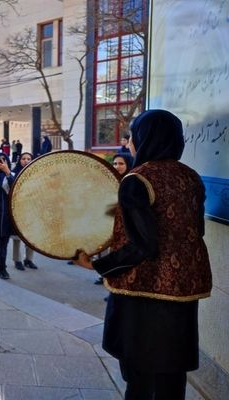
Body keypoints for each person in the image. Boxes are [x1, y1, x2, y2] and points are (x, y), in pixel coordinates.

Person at [72, 109, 212, 400]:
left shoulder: (137, 179)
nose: (131, 142)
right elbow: (195, 230)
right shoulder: (191, 178)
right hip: (183, 293)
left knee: (139, 379)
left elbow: (143, 246)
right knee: (173, 378)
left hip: (143, 296)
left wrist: (97, 265)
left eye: (133, 136)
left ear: (145, 138)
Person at [94, 152, 134, 285]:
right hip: (108, 224)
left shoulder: (132, 182)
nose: (117, 166)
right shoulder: (108, 180)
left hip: (125, 228)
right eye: (115, 163)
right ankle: (105, 277)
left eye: (121, 163)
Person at [10, 152, 39, 271]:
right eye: (23, 159)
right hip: (17, 209)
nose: (26, 161)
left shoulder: (35, 174)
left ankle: (29, 259)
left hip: (32, 209)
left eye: (29, 159)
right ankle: (17, 260)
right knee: (17, 237)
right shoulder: (14, 174)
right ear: (19, 160)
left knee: (31, 236)